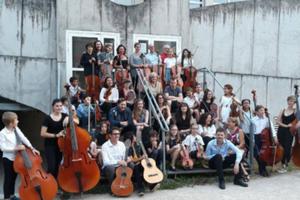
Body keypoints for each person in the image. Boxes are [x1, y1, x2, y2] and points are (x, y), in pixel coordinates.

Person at [0, 112, 40, 200]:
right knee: (8, 179)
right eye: (16, 120)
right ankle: (7, 197)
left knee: (14, 177)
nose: (18, 121)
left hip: (17, 159)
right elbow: (2, 148)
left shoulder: (16, 129)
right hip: (8, 159)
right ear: (11, 123)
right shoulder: (2, 133)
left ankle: (12, 195)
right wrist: (15, 148)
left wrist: (31, 148)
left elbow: (23, 138)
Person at [40, 99, 68, 179]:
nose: (59, 108)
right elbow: (42, 133)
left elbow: (76, 120)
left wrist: (69, 118)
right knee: (51, 167)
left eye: (60, 106)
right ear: (53, 107)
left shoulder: (65, 116)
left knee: (57, 167)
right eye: (57, 106)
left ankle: (54, 187)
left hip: (61, 146)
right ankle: (48, 184)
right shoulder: (47, 118)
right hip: (50, 145)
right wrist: (56, 135)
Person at [252, 105, 278, 177]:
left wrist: (275, 137)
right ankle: (262, 169)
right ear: (256, 112)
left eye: (263, 110)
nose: (262, 111)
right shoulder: (253, 120)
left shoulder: (267, 119)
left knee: (263, 155)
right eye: (260, 110)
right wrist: (253, 141)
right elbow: (252, 131)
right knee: (257, 154)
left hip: (265, 138)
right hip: (256, 137)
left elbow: (272, 129)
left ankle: (262, 170)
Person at [101, 127, 127, 195]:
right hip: (109, 167)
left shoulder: (122, 144)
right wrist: (117, 162)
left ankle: (125, 184)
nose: (117, 135)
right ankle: (112, 188)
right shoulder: (105, 146)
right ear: (110, 135)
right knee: (111, 168)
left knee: (131, 165)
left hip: (120, 166)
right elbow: (106, 162)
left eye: (118, 134)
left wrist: (126, 160)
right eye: (115, 134)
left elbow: (124, 158)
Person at [276, 95, 296, 173]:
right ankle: (282, 164)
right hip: (281, 130)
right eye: (289, 101)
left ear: (294, 103)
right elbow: (278, 121)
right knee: (281, 148)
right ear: (287, 101)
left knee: (287, 148)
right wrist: (286, 125)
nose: (290, 102)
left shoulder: (296, 111)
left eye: (292, 101)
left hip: (290, 132)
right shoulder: (283, 109)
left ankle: (285, 165)